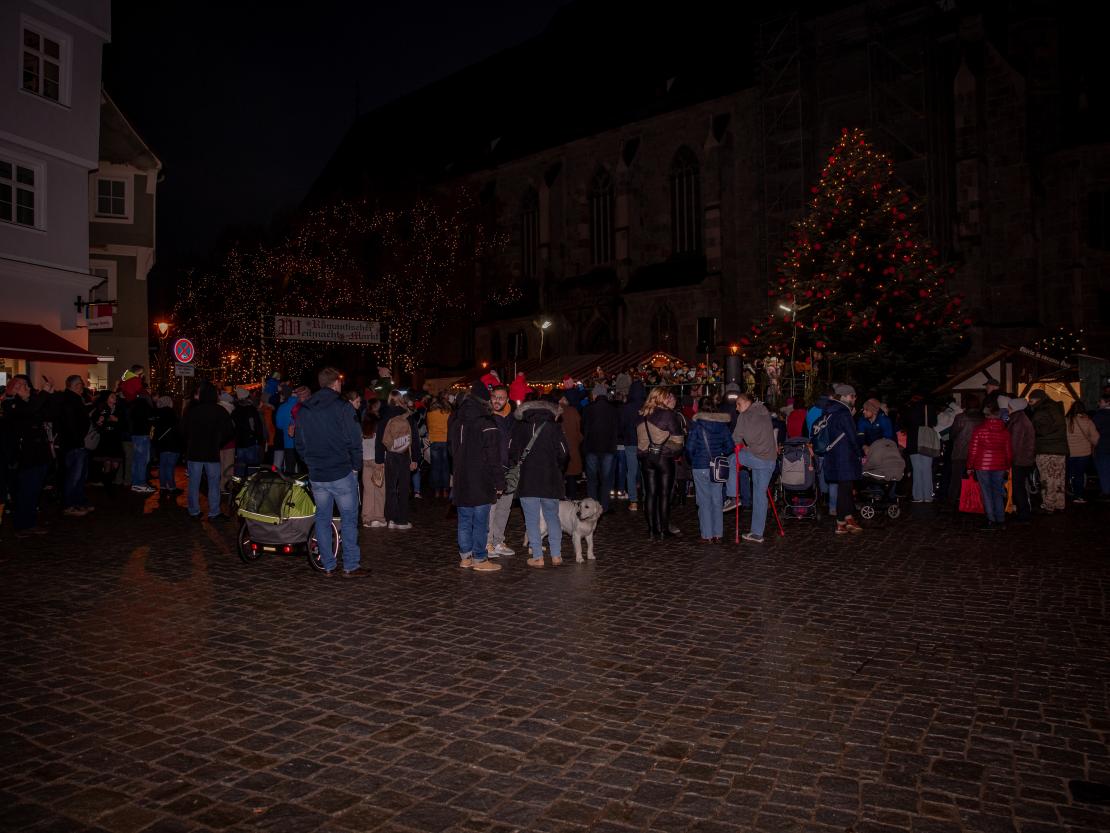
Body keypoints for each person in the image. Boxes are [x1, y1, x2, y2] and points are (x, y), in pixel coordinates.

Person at [295, 367, 364, 577]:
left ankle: (328, 564)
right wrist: (355, 466)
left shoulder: (305, 409)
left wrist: (310, 462)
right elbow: (354, 440)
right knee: (349, 518)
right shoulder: (342, 406)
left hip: (318, 473)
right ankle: (351, 565)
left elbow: (299, 442)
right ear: (336, 383)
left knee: (323, 519)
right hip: (341, 471)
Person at [448, 381, 504, 572]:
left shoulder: (456, 422)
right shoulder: (487, 423)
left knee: (464, 520)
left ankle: (465, 557)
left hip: (462, 477)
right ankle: (480, 558)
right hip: (482, 479)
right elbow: (493, 457)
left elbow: (452, 450)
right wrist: (499, 481)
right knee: (480, 522)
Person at [509, 398, 569, 567]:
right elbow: (564, 453)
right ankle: (556, 555)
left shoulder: (520, 427)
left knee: (532, 519)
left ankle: (537, 556)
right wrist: (558, 467)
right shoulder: (554, 427)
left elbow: (511, 450)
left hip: (528, 480)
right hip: (550, 479)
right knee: (552, 517)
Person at [3, 376, 54, 536]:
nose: (27, 388)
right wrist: (44, 394)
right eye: (22, 385)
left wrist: (48, 396)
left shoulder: (29, 403)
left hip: (38, 454)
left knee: (34, 490)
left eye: (26, 385)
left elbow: (47, 414)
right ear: (14, 389)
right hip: (26, 456)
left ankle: (29, 522)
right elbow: (29, 411)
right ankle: (23, 525)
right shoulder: (12, 405)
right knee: (26, 491)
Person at [636, 387, 685, 541]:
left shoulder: (641, 414)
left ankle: (651, 530)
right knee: (664, 494)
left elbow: (639, 440)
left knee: (650, 494)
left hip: (645, 458)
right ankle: (664, 529)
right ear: (660, 398)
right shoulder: (668, 415)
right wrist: (668, 448)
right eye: (666, 397)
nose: (668, 400)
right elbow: (678, 442)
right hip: (663, 458)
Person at [181, 382, 235, 522]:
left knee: (194, 483)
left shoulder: (192, 411)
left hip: (194, 453)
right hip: (212, 452)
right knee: (213, 483)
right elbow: (229, 432)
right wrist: (218, 442)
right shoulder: (219, 411)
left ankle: (193, 510)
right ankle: (214, 512)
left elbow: (183, 431)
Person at [732, 392, 779, 544]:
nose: (737, 408)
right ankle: (757, 533)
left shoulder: (744, 416)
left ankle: (732, 496)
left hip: (758, 459)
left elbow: (737, 438)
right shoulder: (764, 411)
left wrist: (743, 446)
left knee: (732, 460)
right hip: (770, 460)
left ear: (746, 403)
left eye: (738, 404)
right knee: (759, 495)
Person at [821, 384, 864, 535]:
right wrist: (860, 453)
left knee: (845, 488)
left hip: (833, 455)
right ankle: (840, 522)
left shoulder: (829, 411)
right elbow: (852, 436)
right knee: (845, 489)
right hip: (845, 457)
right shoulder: (843, 413)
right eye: (852, 396)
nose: (854, 399)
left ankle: (848, 517)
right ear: (845, 396)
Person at [688, 397, 732, 543]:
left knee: (704, 501)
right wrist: (720, 453)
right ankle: (718, 534)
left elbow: (689, 448)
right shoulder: (722, 425)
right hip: (717, 466)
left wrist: (693, 458)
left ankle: (706, 535)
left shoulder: (696, 425)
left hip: (700, 466)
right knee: (717, 499)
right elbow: (730, 446)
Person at [967, 401, 1013, 530]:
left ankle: (991, 519)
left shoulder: (979, 430)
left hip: (982, 465)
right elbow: (1008, 451)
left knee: (986, 492)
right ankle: (1001, 519)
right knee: (998, 491)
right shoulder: (1005, 432)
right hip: (1000, 465)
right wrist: (1008, 465)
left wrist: (970, 466)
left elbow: (973, 450)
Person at [55, 375, 93, 517]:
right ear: (74, 385)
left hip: (75, 443)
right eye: (80, 385)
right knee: (74, 476)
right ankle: (70, 504)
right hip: (73, 444)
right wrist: (78, 438)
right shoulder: (70, 400)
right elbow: (71, 424)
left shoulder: (73, 399)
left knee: (79, 475)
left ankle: (78, 501)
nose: (82, 387)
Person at [486, 385, 517, 558]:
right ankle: (487, 542)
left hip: (509, 469)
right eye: (494, 397)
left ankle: (498, 540)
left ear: (507, 399)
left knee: (504, 508)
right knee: (491, 507)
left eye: (501, 397)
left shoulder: (513, 418)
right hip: (492, 468)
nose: (497, 401)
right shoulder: (486, 417)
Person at [1027, 389, 1067, 513]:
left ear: (1038, 399)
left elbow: (1042, 430)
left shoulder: (1042, 410)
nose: (1030, 403)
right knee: (1058, 477)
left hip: (1046, 449)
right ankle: (1059, 503)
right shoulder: (1056, 408)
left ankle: (1049, 505)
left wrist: (1033, 429)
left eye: (1031, 401)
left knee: (1047, 478)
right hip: (1060, 449)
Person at [582, 383, 619, 514]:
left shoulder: (587, 409)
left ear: (595, 394)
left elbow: (584, 429)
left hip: (591, 447)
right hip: (608, 448)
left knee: (592, 480)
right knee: (606, 479)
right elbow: (616, 430)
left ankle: (591, 508)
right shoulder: (613, 409)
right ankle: (604, 506)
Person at [946, 395, 983, 511]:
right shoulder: (983, 418)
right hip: (978, 453)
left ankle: (951, 502)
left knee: (955, 479)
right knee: (979, 479)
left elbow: (952, 434)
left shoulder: (960, 417)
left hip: (960, 452)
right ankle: (979, 500)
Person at [1001, 396, 1035, 523]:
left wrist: (1008, 460)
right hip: (1024, 459)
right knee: (1019, 486)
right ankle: (1023, 511)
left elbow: (1015, 444)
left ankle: (1024, 513)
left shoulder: (1018, 422)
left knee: (1018, 487)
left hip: (1020, 460)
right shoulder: (1020, 419)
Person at [1065, 400, 1100, 504]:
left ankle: (1064, 494)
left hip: (1069, 452)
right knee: (1079, 474)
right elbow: (1096, 438)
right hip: (1084, 453)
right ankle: (1078, 496)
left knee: (1068, 473)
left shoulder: (1066, 420)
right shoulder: (1088, 421)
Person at [903, 395, 937, 503]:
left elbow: (904, 424)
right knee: (927, 469)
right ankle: (928, 496)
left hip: (913, 442)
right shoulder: (929, 408)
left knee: (916, 470)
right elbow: (934, 422)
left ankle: (917, 496)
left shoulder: (909, 410)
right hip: (926, 441)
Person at [618, 380, 646, 512]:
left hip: (630, 442)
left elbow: (621, 425)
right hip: (645, 443)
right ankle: (647, 498)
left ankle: (633, 501)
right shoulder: (647, 406)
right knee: (646, 471)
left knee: (631, 471)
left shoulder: (626, 407)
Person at [90, 391, 127, 491]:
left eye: (115, 396)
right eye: (112, 396)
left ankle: (108, 480)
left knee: (116, 464)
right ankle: (107, 484)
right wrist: (100, 422)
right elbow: (95, 422)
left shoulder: (119, 409)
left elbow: (125, 424)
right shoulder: (101, 409)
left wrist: (117, 421)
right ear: (107, 399)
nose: (114, 397)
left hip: (116, 439)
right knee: (107, 462)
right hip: (105, 438)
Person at [360, 412, 387, 528]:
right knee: (379, 490)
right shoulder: (378, 430)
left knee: (368, 491)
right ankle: (378, 517)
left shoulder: (362, 431)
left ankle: (367, 518)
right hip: (377, 461)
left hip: (365, 461)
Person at [127, 388, 156, 493]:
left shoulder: (133, 405)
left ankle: (136, 482)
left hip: (135, 435)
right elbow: (150, 419)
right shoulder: (144, 405)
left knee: (137, 460)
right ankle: (140, 483)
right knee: (142, 460)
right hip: (143, 435)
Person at [231, 387, 264, 478]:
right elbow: (257, 426)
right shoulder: (251, 410)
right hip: (251, 442)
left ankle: (239, 486)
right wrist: (260, 439)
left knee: (240, 466)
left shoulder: (235, 411)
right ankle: (251, 486)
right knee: (252, 467)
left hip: (239, 443)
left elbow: (233, 427)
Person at [152, 396, 182, 493]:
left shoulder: (157, 414)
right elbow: (178, 429)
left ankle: (163, 485)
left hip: (162, 444)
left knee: (163, 465)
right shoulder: (172, 413)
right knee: (170, 466)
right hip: (173, 443)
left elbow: (154, 430)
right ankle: (172, 486)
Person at [558, 393, 583, 498]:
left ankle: (560, 500)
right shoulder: (573, 411)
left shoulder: (554, 411)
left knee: (559, 478)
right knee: (571, 477)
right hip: (572, 449)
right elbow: (580, 431)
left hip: (558, 450)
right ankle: (571, 501)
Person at [426, 396, 451, 499]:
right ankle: (445, 491)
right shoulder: (447, 414)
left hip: (434, 441)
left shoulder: (429, 414)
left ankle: (436, 491)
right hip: (445, 441)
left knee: (435, 468)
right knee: (445, 467)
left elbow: (428, 426)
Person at [1092, 395, 1110, 500]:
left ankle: (1106, 491)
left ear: (1107, 402)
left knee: (1103, 470)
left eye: (1101, 401)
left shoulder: (1099, 416)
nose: (1099, 403)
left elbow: (1093, 431)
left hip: (1102, 446)